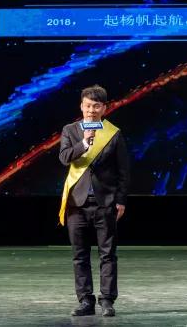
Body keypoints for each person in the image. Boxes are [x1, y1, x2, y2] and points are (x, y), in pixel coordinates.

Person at [58, 85, 130, 317]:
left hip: (105, 202)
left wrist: (120, 200)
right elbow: (64, 157)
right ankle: (85, 301)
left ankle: (107, 300)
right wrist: (83, 144)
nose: (91, 110)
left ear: (104, 108)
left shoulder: (113, 133)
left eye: (96, 106)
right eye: (88, 106)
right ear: (81, 106)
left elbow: (123, 171)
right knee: (80, 255)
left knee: (107, 254)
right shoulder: (70, 130)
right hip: (76, 203)